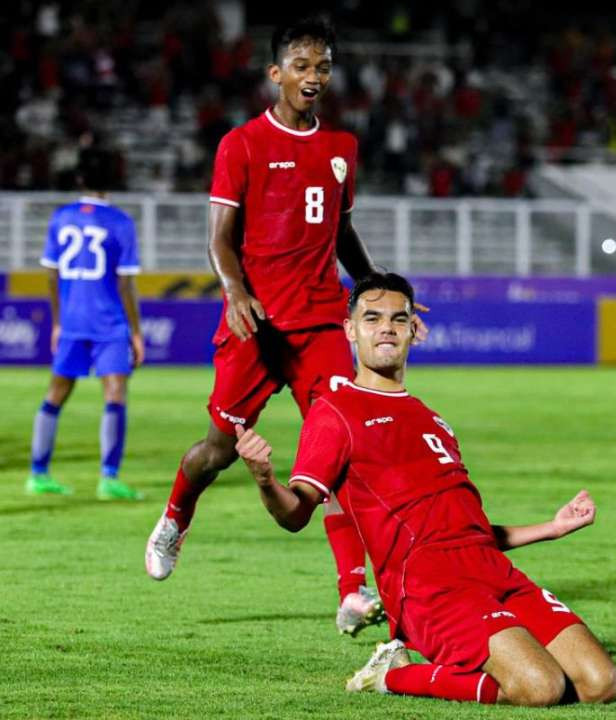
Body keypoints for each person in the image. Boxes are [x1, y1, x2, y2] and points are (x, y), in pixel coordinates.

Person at [144, 16, 426, 637]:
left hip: (321, 323)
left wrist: (378, 287)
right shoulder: (241, 144)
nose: (313, 77)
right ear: (276, 73)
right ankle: (175, 515)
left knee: (342, 449)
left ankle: (353, 589)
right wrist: (236, 291)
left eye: (322, 67)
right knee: (217, 450)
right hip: (255, 327)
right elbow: (220, 239)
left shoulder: (343, 150)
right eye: (301, 66)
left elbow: (341, 233)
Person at [234, 272, 616, 706]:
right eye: (372, 318)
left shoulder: (431, 418)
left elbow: (464, 530)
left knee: (599, 683)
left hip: (492, 573)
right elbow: (296, 513)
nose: (386, 328)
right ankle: (392, 674)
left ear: (414, 331)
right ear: (350, 330)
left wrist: (551, 527)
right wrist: (266, 480)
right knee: (540, 687)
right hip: (429, 589)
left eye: (399, 320)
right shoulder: (335, 413)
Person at [27, 148, 144, 501]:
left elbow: (51, 276)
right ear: (112, 181)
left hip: (74, 321)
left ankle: (38, 474)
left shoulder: (61, 218)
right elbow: (125, 284)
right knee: (115, 394)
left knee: (55, 394)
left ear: (79, 180)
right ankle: (108, 478)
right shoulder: (121, 223)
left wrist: (58, 322)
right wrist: (136, 332)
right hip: (109, 323)